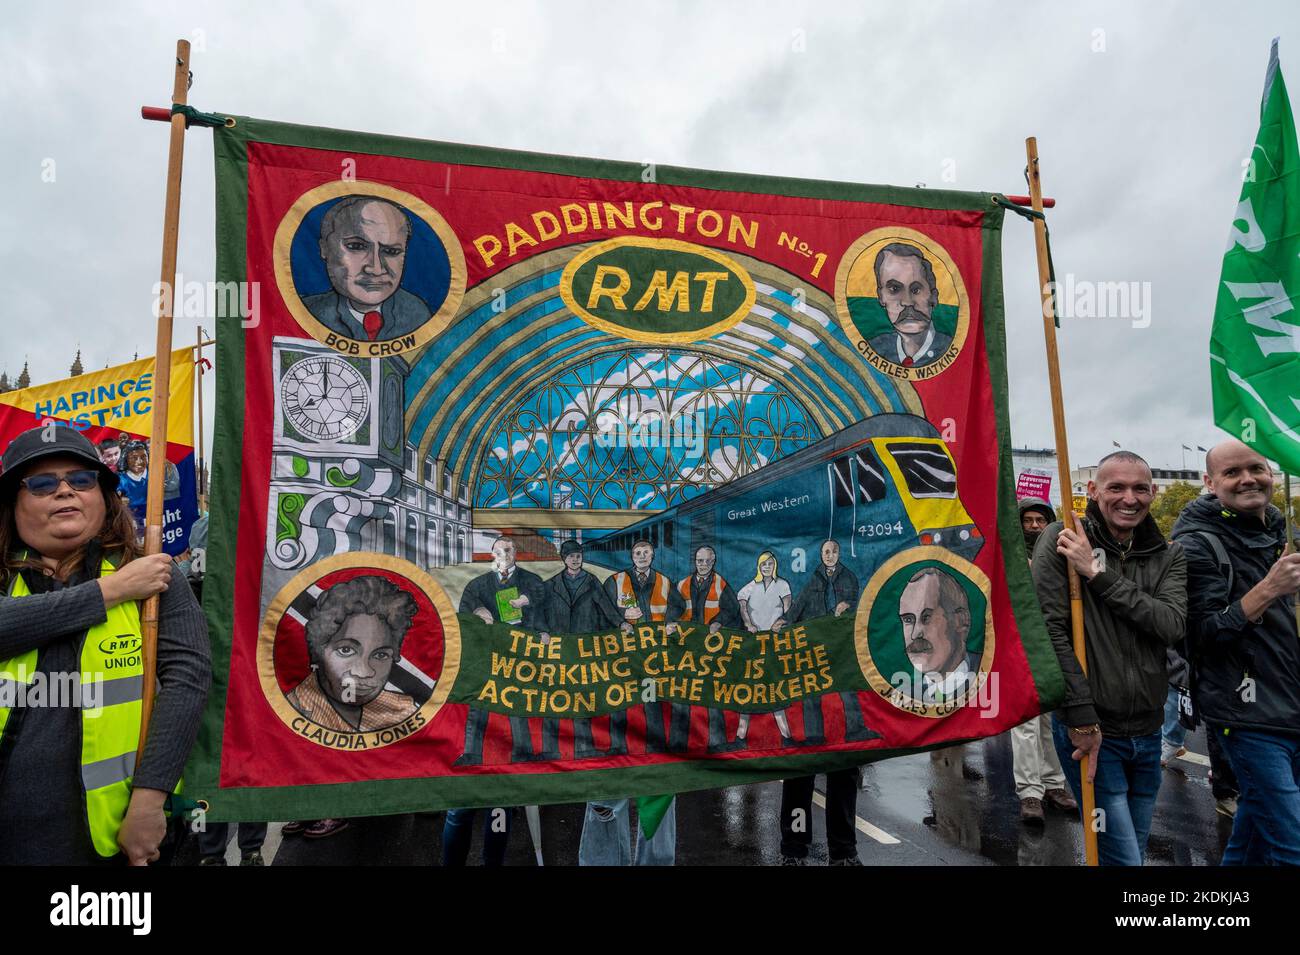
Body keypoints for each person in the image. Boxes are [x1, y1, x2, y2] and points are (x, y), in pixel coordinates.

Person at [0, 425, 210, 864]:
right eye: (42, 484)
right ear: (11, 505)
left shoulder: (153, 576)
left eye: (81, 480)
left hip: (117, 836)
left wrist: (149, 802)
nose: (65, 491)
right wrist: (110, 591)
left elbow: (188, 682)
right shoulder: (8, 579)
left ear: (104, 497)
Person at [1032, 450, 1187, 866]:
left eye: (1140, 489)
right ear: (1093, 490)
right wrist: (1080, 717)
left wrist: (1097, 574)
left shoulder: (1168, 553)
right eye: (1116, 487)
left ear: (1154, 493)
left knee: (1129, 850)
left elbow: (1171, 625)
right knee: (1123, 859)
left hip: (1149, 729)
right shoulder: (1063, 537)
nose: (1129, 499)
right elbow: (1049, 633)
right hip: (1093, 730)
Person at [1172, 439, 1300, 865]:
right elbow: (1198, 637)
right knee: (1291, 846)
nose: (1248, 479)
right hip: (1246, 715)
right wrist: (1268, 589)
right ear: (1210, 483)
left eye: (1256, 468)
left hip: (1291, 705)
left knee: (1252, 836)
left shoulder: (1281, 532)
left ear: (1270, 473)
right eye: (1232, 472)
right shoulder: (1196, 545)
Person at [1010, 496, 1077, 824]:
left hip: (1053, 645)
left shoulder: (1061, 552)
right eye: (1028, 520)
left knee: (1053, 720)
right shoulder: (1009, 556)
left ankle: (1054, 784)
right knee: (1026, 722)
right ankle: (1030, 792)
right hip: (1020, 645)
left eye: (1041, 520)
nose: (1035, 526)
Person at [456, 536, 551, 764]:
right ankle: (472, 753)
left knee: (516, 698)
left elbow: (542, 600)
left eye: (509, 550)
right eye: (499, 551)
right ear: (493, 555)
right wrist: (478, 610)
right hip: (488, 649)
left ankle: (523, 753)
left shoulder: (531, 580)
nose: (505, 555)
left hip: (519, 649)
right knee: (480, 698)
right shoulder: (478, 584)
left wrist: (540, 626)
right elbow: (465, 606)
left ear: (516, 553)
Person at [286, 575, 420, 732]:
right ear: (318, 650)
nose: (364, 672)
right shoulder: (289, 711)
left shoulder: (404, 711)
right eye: (346, 650)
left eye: (380, 655)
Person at [303, 195, 431, 342]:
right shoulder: (307, 313)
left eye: (391, 251)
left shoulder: (418, 315)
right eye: (356, 246)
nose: (376, 269)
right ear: (325, 249)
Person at [675, 545, 743, 753]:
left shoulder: (721, 584)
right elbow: (673, 609)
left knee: (713, 696)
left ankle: (717, 742)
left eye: (707, 561)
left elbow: (732, 609)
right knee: (683, 694)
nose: (703, 565)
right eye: (700, 561)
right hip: (687, 647)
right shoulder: (682, 584)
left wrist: (718, 622)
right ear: (695, 562)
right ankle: (680, 742)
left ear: (713, 562)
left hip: (711, 648)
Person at [730, 550, 794, 748]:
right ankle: (740, 737)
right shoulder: (749, 587)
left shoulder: (782, 585)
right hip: (754, 646)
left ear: (775, 566)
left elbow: (788, 609)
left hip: (774, 645)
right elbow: (742, 607)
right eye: (764, 564)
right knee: (749, 689)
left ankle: (786, 736)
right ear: (759, 566)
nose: (767, 567)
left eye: (770, 564)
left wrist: (782, 622)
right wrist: (748, 624)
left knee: (775, 689)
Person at [897, 567, 979, 703]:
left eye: (927, 617)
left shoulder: (995, 677)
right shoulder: (902, 699)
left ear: (960, 620)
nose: (915, 634)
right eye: (908, 620)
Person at [865, 243, 953, 368]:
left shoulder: (950, 348)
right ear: (881, 297)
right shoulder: (872, 350)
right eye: (894, 289)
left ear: (933, 296)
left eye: (916, 290)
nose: (907, 302)